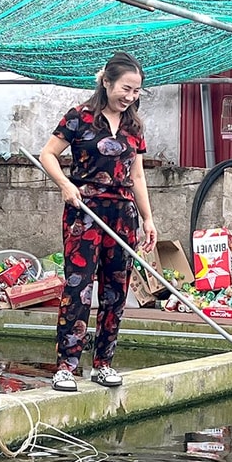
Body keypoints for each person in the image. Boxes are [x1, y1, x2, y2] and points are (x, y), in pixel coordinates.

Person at [36, 51, 157, 392]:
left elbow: (137, 175)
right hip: (84, 211)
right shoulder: (79, 117)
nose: (130, 97)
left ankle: (103, 363)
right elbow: (48, 154)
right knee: (78, 288)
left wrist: (148, 219)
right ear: (106, 82)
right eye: (126, 88)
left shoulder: (134, 127)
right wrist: (65, 186)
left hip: (123, 213)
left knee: (115, 290)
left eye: (136, 91)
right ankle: (66, 366)